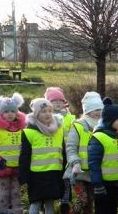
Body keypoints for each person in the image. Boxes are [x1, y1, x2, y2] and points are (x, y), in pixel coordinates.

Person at [19, 98, 66, 214]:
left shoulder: (59, 130)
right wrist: (23, 177)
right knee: (36, 202)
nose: (48, 114)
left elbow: (63, 152)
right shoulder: (29, 133)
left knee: (50, 202)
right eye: (43, 111)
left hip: (54, 173)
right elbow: (24, 156)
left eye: (50, 111)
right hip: (36, 175)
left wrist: (65, 170)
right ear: (36, 114)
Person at [0, 93, 26, 214]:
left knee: (16, 192)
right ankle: (3, 211)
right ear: (1, 113)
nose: (10, 114)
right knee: (4, 191)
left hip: (18, 167)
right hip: (3, 166)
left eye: (13, 111)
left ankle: (17, 211)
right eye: (6, 111)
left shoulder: (23, 128)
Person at [65, 91, 104, 213]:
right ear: (87, 111)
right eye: (94, 109)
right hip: (78, 172)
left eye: (100, 109)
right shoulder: (78, 126)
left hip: (94, 172)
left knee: (90, 203)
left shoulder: (103, 126)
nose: (98, 112)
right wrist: (75, 162)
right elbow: (71, 147)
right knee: (83, 199)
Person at [88, 97, 118, 214]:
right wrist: (98, 184)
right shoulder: (98, 138)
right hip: (103, 185)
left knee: (113, 209)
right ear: (109, 120)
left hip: (117, 183)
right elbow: (94, 164)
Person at [44, 86, 76, 214]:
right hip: (51, 155)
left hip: (67, 154)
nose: (57, 103)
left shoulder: (70, 118)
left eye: (60, 100)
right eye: (54, 100)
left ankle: (65, 203)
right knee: (52, 180)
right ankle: (47, 203)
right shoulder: (44, 117)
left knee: (66, 180)